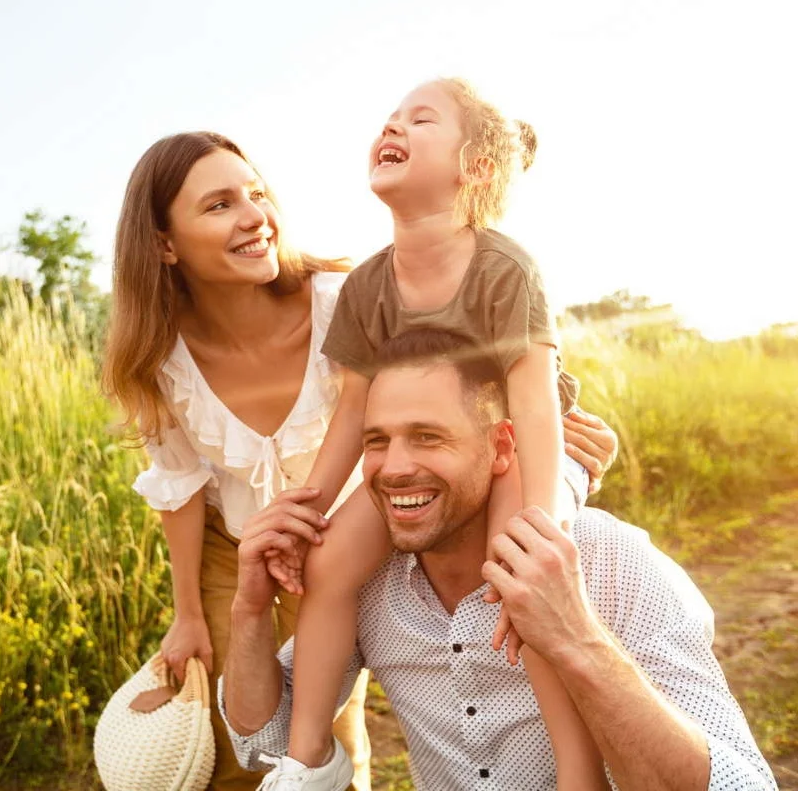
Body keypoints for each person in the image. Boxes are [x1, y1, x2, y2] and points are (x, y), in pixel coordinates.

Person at [101, 132, 616, 790]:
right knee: (240, 735)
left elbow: (458, 380)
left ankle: (336, 764)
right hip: (237, 546)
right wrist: (188, 614)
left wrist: (538, 429)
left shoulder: (343, 299)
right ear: (163, 244)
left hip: (366, 515)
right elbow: (177, 486)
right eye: (220, 205)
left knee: (336, 713)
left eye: (257, 193)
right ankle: (301, 764)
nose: (255, 215)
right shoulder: (157, 357)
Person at [220, 328, 778, 791]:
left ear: (503, 448)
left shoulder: (615, 563)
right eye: (377, 441)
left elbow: (744, 786)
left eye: (428, 437)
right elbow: (262, 737)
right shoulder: (367, 583)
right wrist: (248, 610)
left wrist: (576, 637)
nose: (394, 468)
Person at [275, 77, 606, 789]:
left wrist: (540, 523)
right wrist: (308, 509)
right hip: (423, 455)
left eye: (419, 120)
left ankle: (579, 774)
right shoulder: (367, 287)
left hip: (521, 447)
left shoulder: (504, 268)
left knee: (520, 569)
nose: (392, 127)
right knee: (330, 565)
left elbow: (536, 406)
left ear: (475, 169)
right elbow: (354, 415)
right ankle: (305, 763)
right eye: (389, 117)